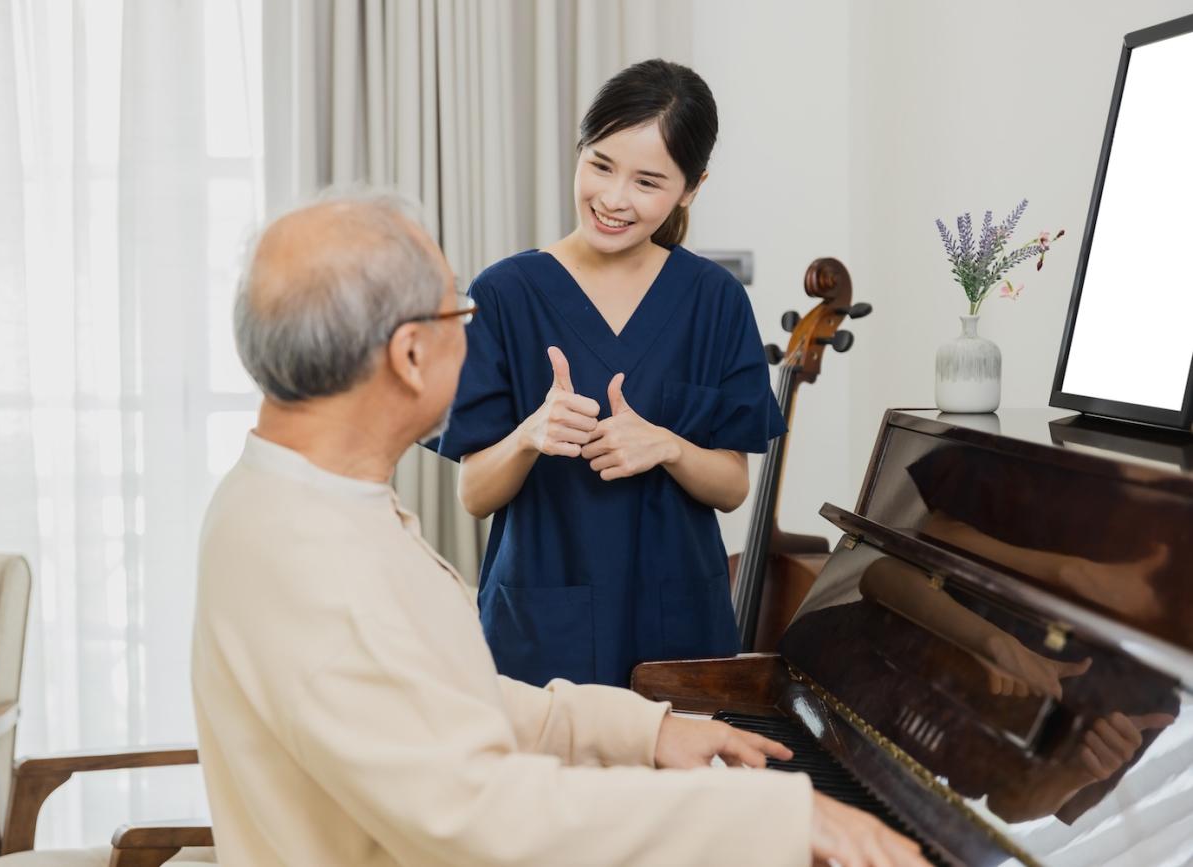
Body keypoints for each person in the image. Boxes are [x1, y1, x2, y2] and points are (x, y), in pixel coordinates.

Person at [190, 190, 926, 866]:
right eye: (458, 313)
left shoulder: (296, 497)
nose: (473, 332)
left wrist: (646, 731)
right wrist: (770, 816)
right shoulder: (314, 560)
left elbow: (443, 696)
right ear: (411, 355)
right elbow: (485, 815)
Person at [435, 59, 782, 688]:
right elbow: (474, 494)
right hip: (542, 630)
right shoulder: (505, 294)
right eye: (600, 165)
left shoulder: (715, 301)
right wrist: (528, 436)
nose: (614, 199)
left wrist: (669, 446)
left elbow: (732, 487)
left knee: (677, 782)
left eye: (648, 181)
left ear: (690, 188)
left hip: (677, 627)